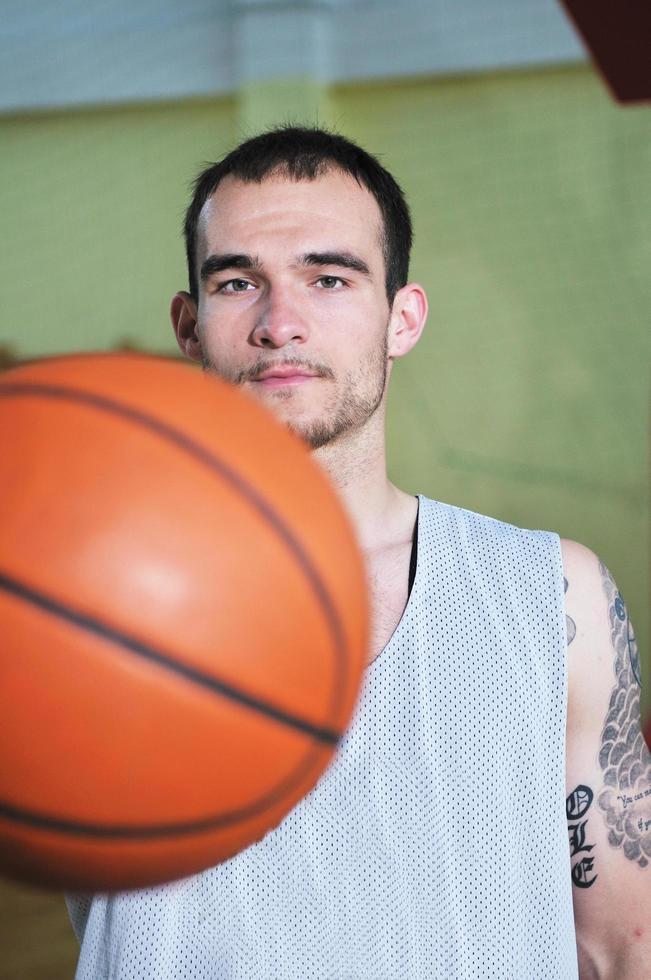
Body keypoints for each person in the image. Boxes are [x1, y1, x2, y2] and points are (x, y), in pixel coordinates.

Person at [66, 126, 650, 978]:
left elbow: (620, 946)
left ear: (401, 318)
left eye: (328, 278)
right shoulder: (76, 596)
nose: (280, 323)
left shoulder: (551, 597)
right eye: (237, 282)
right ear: (189, 327)